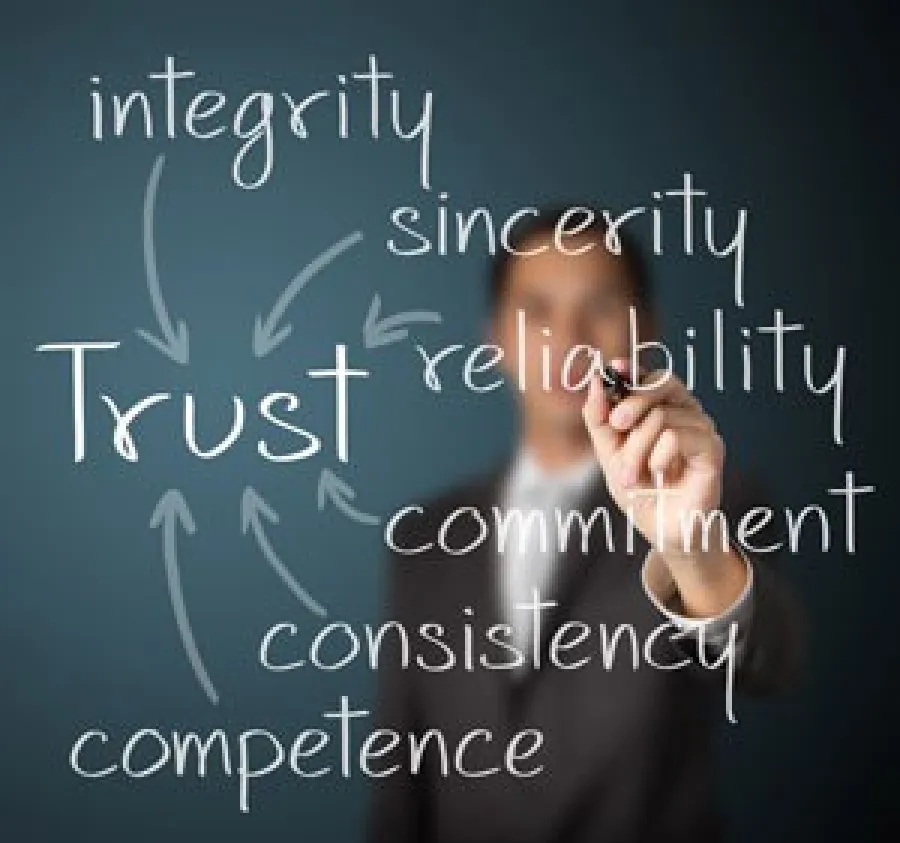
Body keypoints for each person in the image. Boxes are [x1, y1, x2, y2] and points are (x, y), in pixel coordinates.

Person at [368, 206, 802, 843]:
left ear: (646, 329)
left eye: (599, 306)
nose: (567, 338)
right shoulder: (422, 540)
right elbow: (400, 781)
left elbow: (769, 660)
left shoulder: (715, 501)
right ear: (496, 339)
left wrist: (692, 549)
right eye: (536, 311)